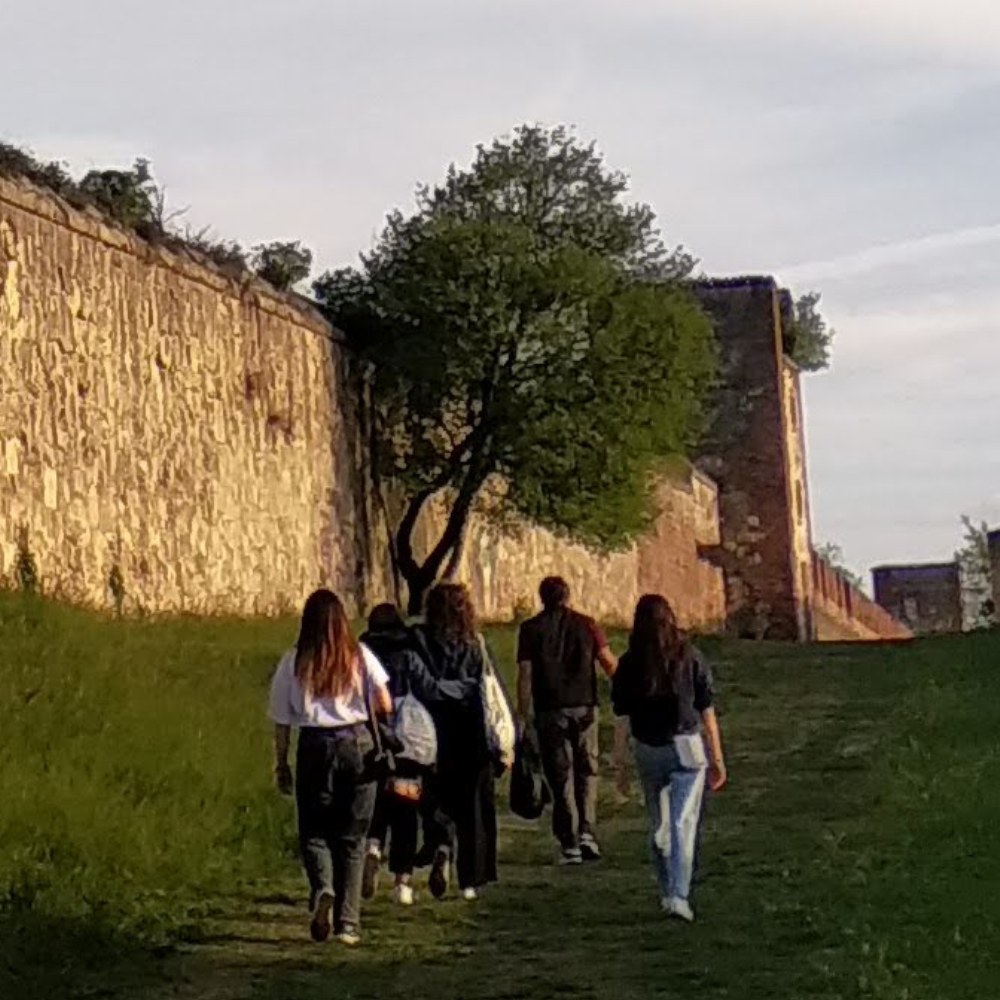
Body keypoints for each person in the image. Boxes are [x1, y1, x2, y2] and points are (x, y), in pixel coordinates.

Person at [269, 589, 392, 946]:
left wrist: (281, 763)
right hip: (358, 745)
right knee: (352, 837)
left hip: (314, 746)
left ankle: (323, 887)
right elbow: (384, 701)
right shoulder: (359, 656)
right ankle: (348, 924)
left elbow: (281, 720)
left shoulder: (293, 662)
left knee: (314, 830)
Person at [611, 594, 727, 923]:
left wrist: (619, 764)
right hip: (687, 745)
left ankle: (666, 890)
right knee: (682, 822)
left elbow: (621, 718)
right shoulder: (689, 656)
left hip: (648, 748)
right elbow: (706, 708)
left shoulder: (629, 664)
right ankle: (679, 894)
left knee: (659, 824)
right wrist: (717, 755)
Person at [359, 603, 476, 906]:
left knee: (378, 802)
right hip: (409, 742)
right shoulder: (409, 656)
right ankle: (403, 882)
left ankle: (372, 848)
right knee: (405, 807)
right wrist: (463, 689)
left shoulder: (360, 657)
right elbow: (431, 690)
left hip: (370, 739)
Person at [515, 576, 617, 864]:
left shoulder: (530, 629)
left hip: (550, 709)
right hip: (585, 707)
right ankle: (587, 831)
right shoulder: (587, 625)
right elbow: (608, 662)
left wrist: (523, 714)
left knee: (561, 776)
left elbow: (526, 674)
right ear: (568, 596)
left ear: (542, 598)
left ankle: (569, 841)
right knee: (588, 770)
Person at [412, 583, 500, 901]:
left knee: (434, 796)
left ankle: (441, 845)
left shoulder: (418, 639)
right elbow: (484, 687)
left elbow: (420, 683)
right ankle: (470, 879)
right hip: (470, 729)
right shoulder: (474, 643)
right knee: (473, 806)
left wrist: (438, 689)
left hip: (430, 729)